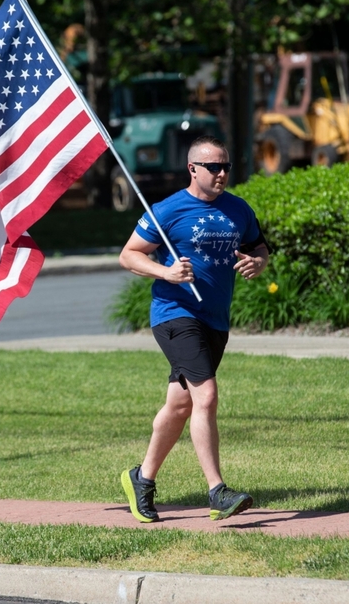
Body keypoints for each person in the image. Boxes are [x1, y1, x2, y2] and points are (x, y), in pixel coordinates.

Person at [118, 135, 270, 523]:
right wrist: (165, 272)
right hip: (175, 313)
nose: (221, 174)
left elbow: (259, 247)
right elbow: (129, 254)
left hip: (215, 319)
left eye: (226, 167)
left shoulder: (238, 209)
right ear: (192, 169)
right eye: (213, 167)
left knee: (180, 403)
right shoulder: (168, 210)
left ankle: (142, 478)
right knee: (206, 396)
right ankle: (217, 491)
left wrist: (257, 263)